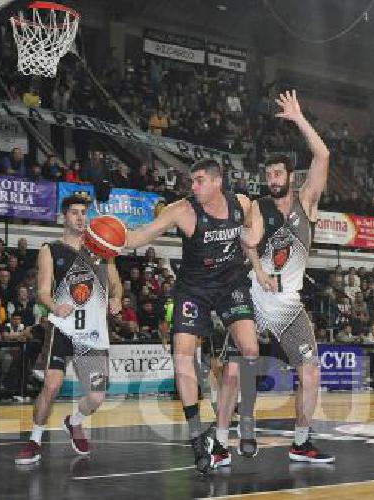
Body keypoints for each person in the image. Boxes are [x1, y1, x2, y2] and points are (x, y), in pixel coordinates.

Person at [120, 157, 258, 473]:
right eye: (191, 181)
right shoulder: (181, 210)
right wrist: (109, 238)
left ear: (217, 181)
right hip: (193, 289)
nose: (192, 186)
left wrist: (260, 267)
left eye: (198, 180)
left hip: (230, 285)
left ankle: (240, 422)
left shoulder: (242, 203)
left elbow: (253, 232)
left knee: (250, 350)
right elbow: (139, 237)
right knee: (182, 356)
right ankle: (197, 436)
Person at [241, 90, 334, 463]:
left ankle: (300, 440)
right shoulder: (259, 206)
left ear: (290, 177)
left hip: (286, 305)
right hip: (252, 295)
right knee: (233, 371)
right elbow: (248, 242)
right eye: (268, 174)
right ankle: (223, 433)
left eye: (278, 173)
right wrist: (259, 267)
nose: (272, 178)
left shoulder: (307, 202)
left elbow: (323, 155)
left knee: (310, 372)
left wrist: (298, 118)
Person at [15, 194, 124, 465]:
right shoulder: (50, 249)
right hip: (63, 328)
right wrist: (54, 306)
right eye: (74, 212)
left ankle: (74, 422)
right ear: (64, 216)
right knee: (52, 385)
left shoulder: (103, 248)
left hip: (94, 333)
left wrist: (117, 298)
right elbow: (41, 291)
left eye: (83, 212)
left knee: (97, 396)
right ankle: (35, 440)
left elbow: (116, 285)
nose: (79, 217)